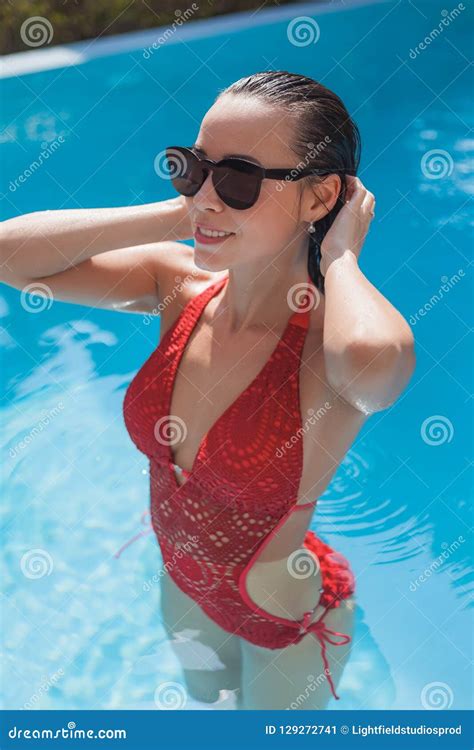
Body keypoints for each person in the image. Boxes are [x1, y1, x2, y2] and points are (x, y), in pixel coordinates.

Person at [0, 71, 415, 710]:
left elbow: (378, 368)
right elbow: (10, 258)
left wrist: (340, 259)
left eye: (241, 178)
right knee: (204, 707)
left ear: (317, 197)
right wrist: (186, 208)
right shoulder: (178, 286)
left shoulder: (326, 344)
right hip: (182, 588)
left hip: (281, 619)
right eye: (195, 167)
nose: (211, 195)